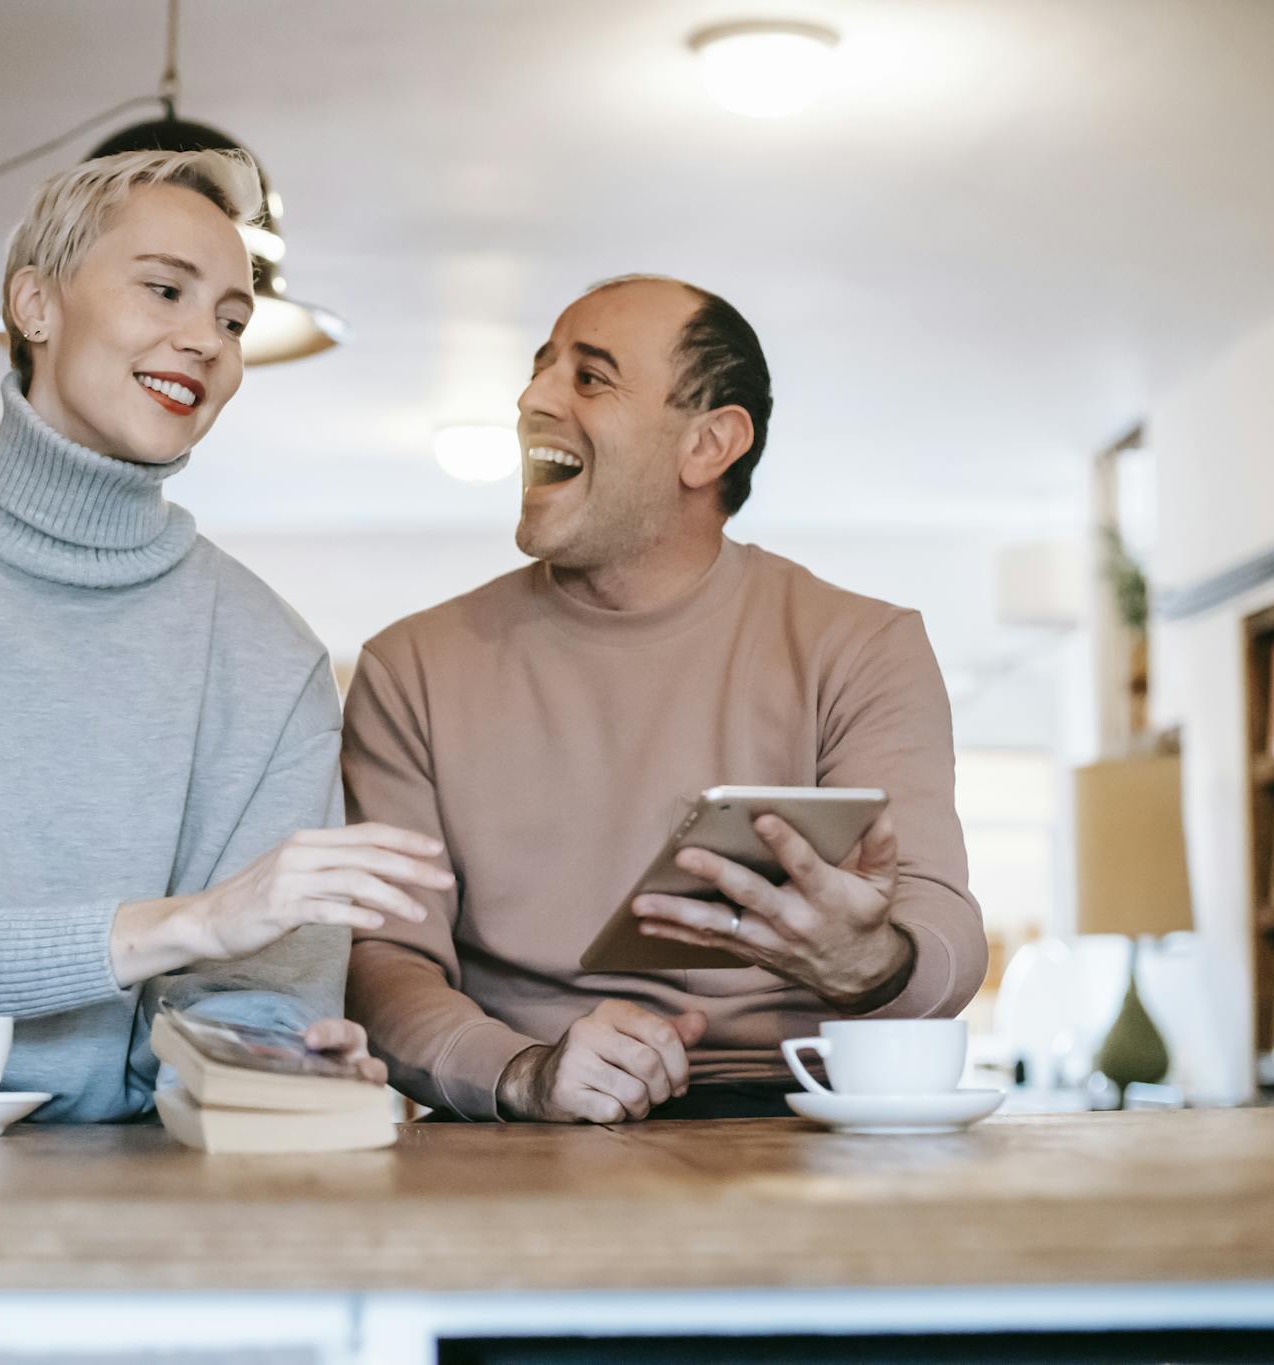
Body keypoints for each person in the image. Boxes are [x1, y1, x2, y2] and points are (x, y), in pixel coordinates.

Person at [0, 149, 449, 1123]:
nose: (205, 341)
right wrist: (186, 925)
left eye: (232, 321)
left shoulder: (269, 656)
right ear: (34, 304)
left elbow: (255, 998)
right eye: (164, 290)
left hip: (145, 1187)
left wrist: (278, 1061)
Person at [343, 275, 987, 1123]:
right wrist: (526, 1072)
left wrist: (869, 960)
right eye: (541, 369)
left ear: (709, 445)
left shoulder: (864, 645)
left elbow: (941, 929)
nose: (531, 397)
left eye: (590, 376)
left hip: (801, 1121)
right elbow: (382, 962)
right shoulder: (408, 667)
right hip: (520, 1121)